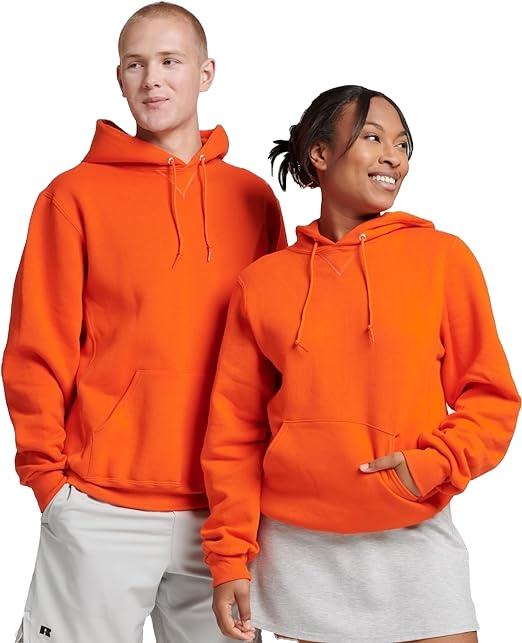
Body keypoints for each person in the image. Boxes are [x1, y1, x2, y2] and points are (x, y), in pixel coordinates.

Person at [2, 3, 285, 642]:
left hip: (223, 514)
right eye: (135, 64)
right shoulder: (72, 196)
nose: (152, 79)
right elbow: (37, 346)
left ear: (206, 73)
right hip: (99, 505)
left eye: (169, 61)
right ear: (120, 78)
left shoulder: (253, 199)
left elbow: (275, 355)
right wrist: (48, 481)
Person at [200, 85, 520, 643]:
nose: (394, 157)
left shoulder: (443, 259)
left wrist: (432, 466)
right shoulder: (263, 283)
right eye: (373, 138)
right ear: (320, 153)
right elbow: (234, 433)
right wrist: (229, 558)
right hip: (299, 546)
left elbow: (491, 398)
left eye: (403, 144)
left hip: (412, 529)